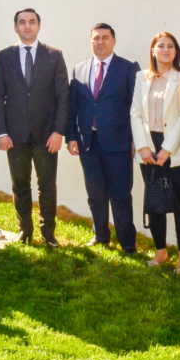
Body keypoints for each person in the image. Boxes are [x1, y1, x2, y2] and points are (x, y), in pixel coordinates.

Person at [0, 8, 69, 247]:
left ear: (38, 26)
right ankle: (24, 230)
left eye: (32, 22)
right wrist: (1, 132)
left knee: (47, 186)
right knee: (20, 185)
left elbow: (63, 97)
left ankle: (48, 233)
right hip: (15, 136)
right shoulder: (4, 57)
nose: (27, 26)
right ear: (15, 27)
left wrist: (59, 132)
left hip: (47, 136)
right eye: (22, 22)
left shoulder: (54, 55)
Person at [68, 23, 140, 254]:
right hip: (88, 142)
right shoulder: (78, 69)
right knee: (95, 194)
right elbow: (73, 107)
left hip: (119, 142)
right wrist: (72, 137)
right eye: (96, 38)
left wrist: (136, 139)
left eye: (105, 37)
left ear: (114, 41)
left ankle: (127, 242)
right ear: (91, 41)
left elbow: (136, 107)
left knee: (120, 194)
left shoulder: (128, 68)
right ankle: (100, 236)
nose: (100, 42)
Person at [130, 32, 180, 272]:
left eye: (170, 46)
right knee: (155, 202)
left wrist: (167, 148)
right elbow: (135, 113)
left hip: (175, 148)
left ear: (176, 52)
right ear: (153, 50)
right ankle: (160, 251)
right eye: (160, 46)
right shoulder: (141, 77)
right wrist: (143, 147)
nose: (165, 50)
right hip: (148, 147)